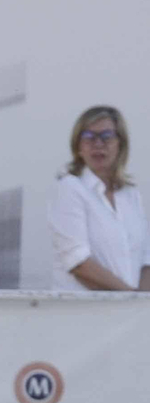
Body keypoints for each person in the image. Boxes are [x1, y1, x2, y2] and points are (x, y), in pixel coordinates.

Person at [50, 105, 149, 291]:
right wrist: (130, 298)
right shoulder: (69, 188)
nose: (98, 144)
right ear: (78, 147)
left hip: (130, 308)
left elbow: (146, 260)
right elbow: (78, 263)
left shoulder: (131, 195)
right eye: (89, 136)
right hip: (87, 308)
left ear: (121, 144)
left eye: (106, 136)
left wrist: (142, 303)